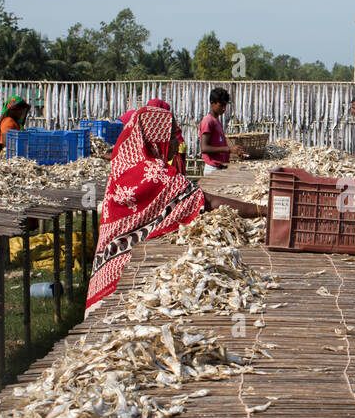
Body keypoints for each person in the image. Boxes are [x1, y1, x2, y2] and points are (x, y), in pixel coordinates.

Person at [85, 102, 264, 316]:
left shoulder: (124, 164)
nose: (174, 143)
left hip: (105, 270)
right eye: (170, 136)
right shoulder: (153, 174)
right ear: (155, 137)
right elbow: (205, 202)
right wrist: (260, 210)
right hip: (121, 281)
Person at [199, 87, 240, 172]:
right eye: (221, 105)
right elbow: (204, 148)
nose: (224, 108)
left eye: (225, 105)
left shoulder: (216, 120)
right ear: (212, 103)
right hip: (213, 168)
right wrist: (228, 149)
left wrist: (233, 151)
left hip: (220, 167)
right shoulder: (208, 121)